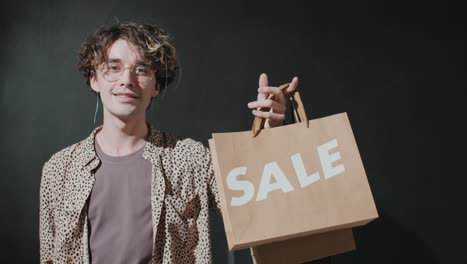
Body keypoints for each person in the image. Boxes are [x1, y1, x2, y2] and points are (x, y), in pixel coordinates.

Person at [39, 21, 299, 264]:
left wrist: (273, 133)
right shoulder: (59, 170)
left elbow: (256, 207)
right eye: (113, 67)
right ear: (93, 79)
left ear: (156, 86)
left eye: (141, 69)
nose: (127, 80)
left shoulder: (191, 158)